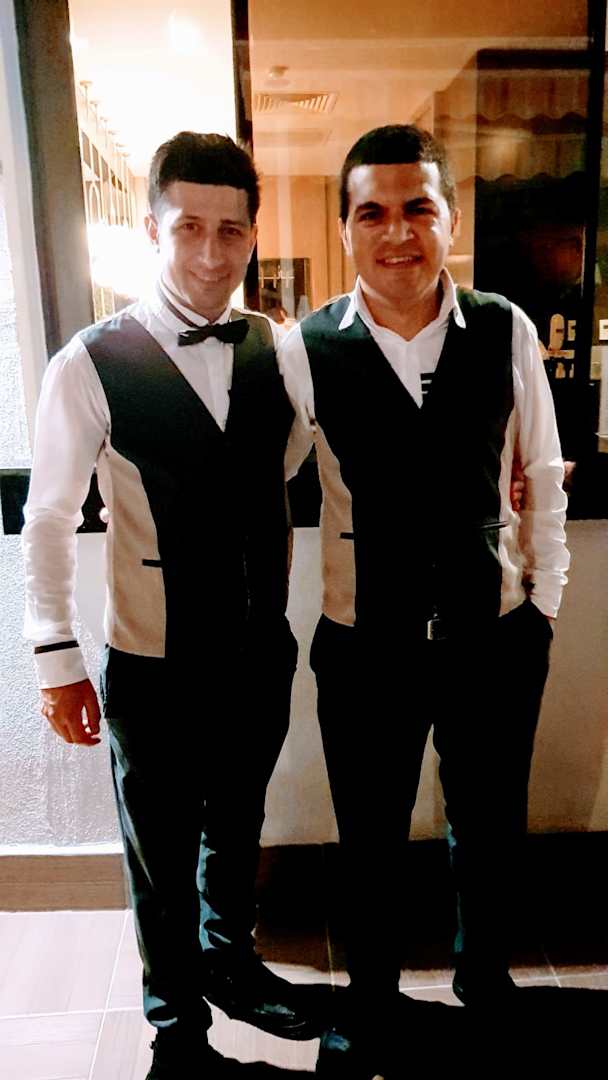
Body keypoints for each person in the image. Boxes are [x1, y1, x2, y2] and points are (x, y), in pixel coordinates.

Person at [22, 131, 322, 1079]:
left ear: (252, 237)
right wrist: (56, 658)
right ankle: (176, 1030)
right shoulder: (89, 361)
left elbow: (292, 461)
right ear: (152, 229)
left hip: (258, 646)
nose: (209, 251)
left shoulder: (279, 346)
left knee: (237, 824)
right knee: (159, 849)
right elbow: (48, 516)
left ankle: (231, 963)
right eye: (188, 226)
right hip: (152, 659)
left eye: (231, 230)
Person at [279, 124, 570, 1076]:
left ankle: (485, 983)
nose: (397, 232)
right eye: (372, 213)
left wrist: (546, 603)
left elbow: (541, 471)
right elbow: (259, 477)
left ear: (451, 220)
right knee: (369, 834)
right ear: (346, 228)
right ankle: (369, 1002)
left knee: (488, 827)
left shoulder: (505, 327)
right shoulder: (303, 349)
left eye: (418, 209)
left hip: (495, 633)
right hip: (365, 640)